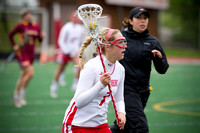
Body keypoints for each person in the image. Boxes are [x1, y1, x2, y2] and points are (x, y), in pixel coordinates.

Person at [110, 7, 169, 133]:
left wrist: (157, 59)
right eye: (139, 18)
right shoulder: (121, 38)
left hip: (143, 92)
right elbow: (108, 56)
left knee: (122, 128)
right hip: (125, 90)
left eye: (145, 18)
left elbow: (163, 69)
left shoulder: (153, 41)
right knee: (140, 127)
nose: (143, 21)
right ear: (131, 21)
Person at [62, 28, 126, 133]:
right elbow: (79, 102)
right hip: (77, 125)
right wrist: (100, 85)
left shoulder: (120, 69)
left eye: (124, 42)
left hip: (101, 125)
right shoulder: (91, 67)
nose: (124, 46)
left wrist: (121, 113)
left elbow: (119, 98)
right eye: (119, 42)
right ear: (107, 47)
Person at [9, 9, 45, 108]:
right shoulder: (21, 26)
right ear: (24, 17)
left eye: (30, 15)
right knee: (30, 73)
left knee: (23, 75)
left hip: (31, 54)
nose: (29, 16)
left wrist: (42, 37)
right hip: (23, 53)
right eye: (27, 15)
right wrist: (14, 45)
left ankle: (16, 95)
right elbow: (10, 35)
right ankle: (20, 93)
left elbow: (39, 39)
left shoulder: (36, 26)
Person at [50, 12, 85, 98]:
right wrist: (66, 51)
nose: (76, 19)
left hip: (75, 52)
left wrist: (79, 50)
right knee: (60, 70)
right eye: (74, 17)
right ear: (71, 18)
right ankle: (54, 86)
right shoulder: (66, 27)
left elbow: (82, 40)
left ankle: (75, 84)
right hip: (65, 52)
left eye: (77, 17)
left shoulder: (81, 28)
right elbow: (61, 40)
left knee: (80, 66)